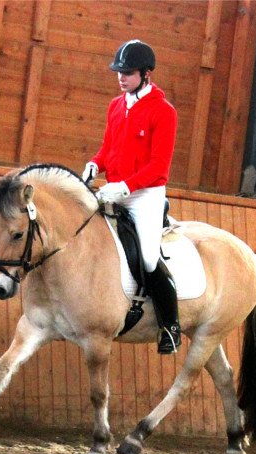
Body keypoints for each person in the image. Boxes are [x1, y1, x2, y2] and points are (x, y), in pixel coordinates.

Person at [82, 39, 180, 354]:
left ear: (146, 74)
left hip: (145, 196)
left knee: (149, 258)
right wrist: (95, 164)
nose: (121, 77)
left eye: (128, 72)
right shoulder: (116, 106)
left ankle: (171, 326)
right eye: (119, 72)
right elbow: (109, 148)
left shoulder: (163, 112)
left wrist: (125, 187)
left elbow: (158, 167)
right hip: (113, 190)